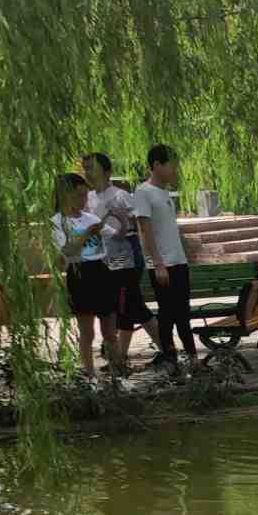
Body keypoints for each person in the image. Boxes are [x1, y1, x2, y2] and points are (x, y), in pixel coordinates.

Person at [83, 152, 155, 374]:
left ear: (107, 171)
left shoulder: (121, 196)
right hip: (102, 258)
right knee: (120, 307)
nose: (87, 172)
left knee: (130, 303)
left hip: (125, 256)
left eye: (91, 167)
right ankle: (119, 358)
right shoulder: (88, 198)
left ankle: (166, 352)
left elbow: (138, 225)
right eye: (84, 168)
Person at [129, 143, 195, 371]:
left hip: (178, 262)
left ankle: (193, 360)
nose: (175, 171)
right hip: (162, 264)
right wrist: (157, 264)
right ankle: (171, 361)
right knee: (167, 315)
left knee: (183, 314)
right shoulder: (143, 192)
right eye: (171, 166)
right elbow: (144, 231)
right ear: (156, 165)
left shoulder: (164, 192)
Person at [50, 173, 108, 380]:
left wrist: (118, 217)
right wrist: (85, 236)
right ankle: (90, 373)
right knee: (87, 331)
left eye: (85, 196)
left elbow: (113, 236)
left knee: (110, 329)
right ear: (64, 195)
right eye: (78, 196)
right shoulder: (57, 222)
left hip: (101, 271)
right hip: (80, 273)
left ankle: (118, 371)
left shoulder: (91, 218)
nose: (83, 201)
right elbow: (62, 256)